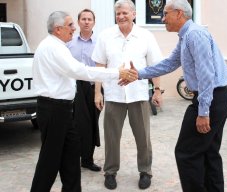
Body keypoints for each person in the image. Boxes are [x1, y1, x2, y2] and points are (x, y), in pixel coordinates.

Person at [30, 11, 137, 192]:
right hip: (54, 109)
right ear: (58, 29)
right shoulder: (53, 48)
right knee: (50, 160)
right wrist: (116, 73)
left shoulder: (58, 45)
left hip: (62, 110)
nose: (74, 28)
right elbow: (81, 71)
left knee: (71, 154)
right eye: (70, 25)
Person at [136, 0, 227, 191]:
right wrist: (138, 74)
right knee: (209, 152)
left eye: (165, 14)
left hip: (211, 99)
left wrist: (203, 112)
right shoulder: (186, 35)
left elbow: (206, 75)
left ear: (179, 13)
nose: (163, 19)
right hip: (215, 97)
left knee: (186, 153)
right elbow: (170, 63)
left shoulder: (194, 35)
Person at [92, 0, 163, 190]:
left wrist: (157, 90)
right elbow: (99, 65)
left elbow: (154, 66)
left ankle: (145, 171)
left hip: (138, 94)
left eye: (124, 13)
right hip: (114, 95)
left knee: (143, 137)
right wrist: (97, 92)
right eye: (118, 13)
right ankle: (110, 172)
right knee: (111, 137)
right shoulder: (105, 36)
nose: (121, 16)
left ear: (134, 14)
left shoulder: (145, 36)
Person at [67, 9, 102, 172]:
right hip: (75, 88)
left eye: (90, 19)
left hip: (95, 87)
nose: (86, 22)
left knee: (92, 124)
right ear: (78, 22)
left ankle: (87, 160)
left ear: (94, 22)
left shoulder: (100, 43)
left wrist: (99, 92)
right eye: (83, 19)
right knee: (76, 125)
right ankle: (73, 159)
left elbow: (103, 67)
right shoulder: (69, 43)